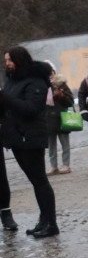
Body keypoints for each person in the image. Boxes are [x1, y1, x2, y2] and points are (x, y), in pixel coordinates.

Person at [0, 46, 59, 238]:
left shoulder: (36, 81)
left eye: (10, 59)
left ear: (20, 60)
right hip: (16, 137)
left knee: (40, 180)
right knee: (35, 181)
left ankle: (51, 223)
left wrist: (3, 97)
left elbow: (31, 109)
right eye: (6, 59)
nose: (7, 63)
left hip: (31, 136)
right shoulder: (12, 80)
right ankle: (43, 220)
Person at [45, 66, 74, 176]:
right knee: (51, 145)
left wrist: (61, 96)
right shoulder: (41, 85)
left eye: (51, 72)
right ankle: (53, 166)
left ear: (54, 72)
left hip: (61, 117)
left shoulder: (61, 84)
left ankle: (66, 165)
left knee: (64, 143)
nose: (50, 75)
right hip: (48, 118)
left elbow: (70, 102)